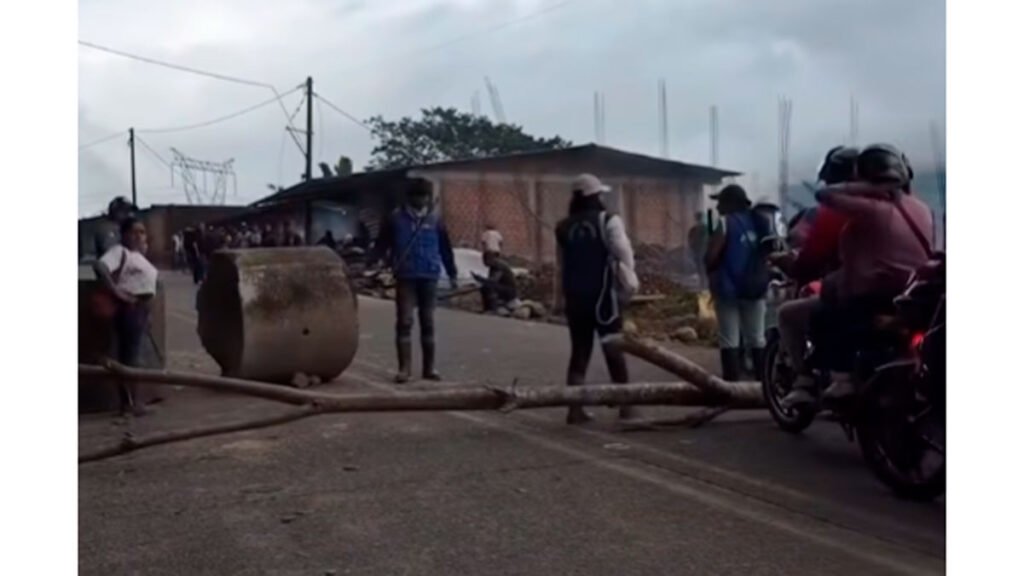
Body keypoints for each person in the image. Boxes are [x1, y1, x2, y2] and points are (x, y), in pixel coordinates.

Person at [807, 144, 933, 401]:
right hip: (915, 295)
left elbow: (824, 195)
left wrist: (865, 188)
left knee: (822, 314)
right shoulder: (921, 208)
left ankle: (842, 380)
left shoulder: (872, 209)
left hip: (875, 297)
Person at [773, 146, 859, 407]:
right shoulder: (911, 207)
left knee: (791, 314)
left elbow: (809, 260)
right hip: (903, 293)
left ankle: (805, 381)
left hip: (855, 291)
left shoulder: (832, 213)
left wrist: (792, 264)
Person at [554, 173, 640, 424]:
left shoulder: (563, 227)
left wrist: (558, 300)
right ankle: (626, 406)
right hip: (604, 298)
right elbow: (625, 255)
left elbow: (560, 266)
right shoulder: (608, 220)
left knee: (580, 351)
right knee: (613, 348)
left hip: (575, 298)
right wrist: (627, 283)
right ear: (596, 196)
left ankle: (574, 409)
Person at [370, 178, 458, 383]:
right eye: (417, 196)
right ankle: (404, 369)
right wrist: (372, 262)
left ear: (428, 198)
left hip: (429, 275)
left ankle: (429, 369)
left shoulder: (436, 220)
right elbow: (381, 245)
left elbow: (445, 249)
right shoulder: (395, 219)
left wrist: (452, 273)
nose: (421, 200)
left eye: (424, 196)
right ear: (409, 197)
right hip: (406, 275)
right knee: (404, 321)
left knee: (428, 322)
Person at [93, 217, 159, 416]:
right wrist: (116, 292)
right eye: (134, 232)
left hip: (140, 310)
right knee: (129, 357)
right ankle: (130, 403)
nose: (139, 236)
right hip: (129, 309)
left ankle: (132, 401)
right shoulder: (118, 252)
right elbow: (100, 266)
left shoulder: (138, 256)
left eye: (142, 232)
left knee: (133, 355)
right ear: (124, 234)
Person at [704, 184, 770, 382]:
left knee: (729, 338)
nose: (717, 207)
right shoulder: (759, 222)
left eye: (721, 202)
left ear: (731, 203)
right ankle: (763, 385)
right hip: (756, 288)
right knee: (757, 337)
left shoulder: (725, 223)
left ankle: (731, 386)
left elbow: (711, 256)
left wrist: (710, 267)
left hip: (728, 290)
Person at [687, 212, 709, 289]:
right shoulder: (694, 229)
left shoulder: (704, 229)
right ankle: (703, 283)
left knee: (702, 267)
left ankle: (704, 283)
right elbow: (690, 240)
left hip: (702, 251)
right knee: (700, 267)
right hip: (698, 250)